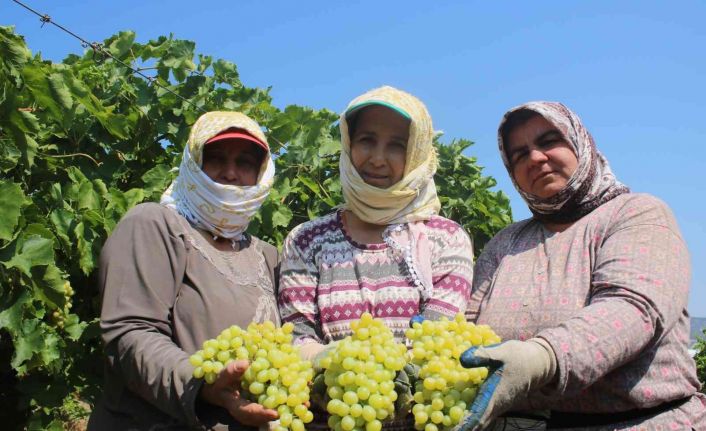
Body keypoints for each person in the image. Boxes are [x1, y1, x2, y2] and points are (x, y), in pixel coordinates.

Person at [458, 101, 706, 430]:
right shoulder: (505, 243)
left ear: (579, 143)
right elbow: (467, 328)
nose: (535, 157)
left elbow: (633, 308)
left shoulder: (636, 213)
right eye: (519, 154)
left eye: (548, 141)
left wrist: (543, 357)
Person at [278, 86, 474, 429]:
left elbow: (438, 337)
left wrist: (379, 377)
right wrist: (331, 362)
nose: (378, 158)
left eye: (397, 145)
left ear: (417, 153)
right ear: (348, 143)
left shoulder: (445, 239)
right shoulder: (307, 240)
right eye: (367, 139)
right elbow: (296, 333)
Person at [88, 111, 281, 430]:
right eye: (215, 157)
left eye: (245, 162)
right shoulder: (155, 226)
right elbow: (130, 334)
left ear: (260, 174)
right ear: (193, 163)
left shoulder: (267, 255)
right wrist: (201, 385)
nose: (230, 173)